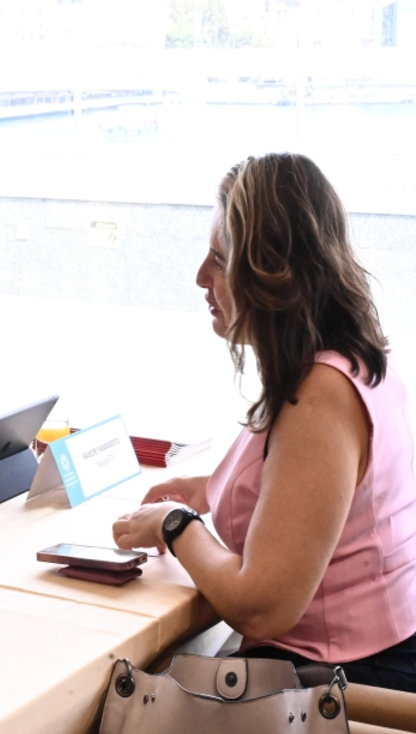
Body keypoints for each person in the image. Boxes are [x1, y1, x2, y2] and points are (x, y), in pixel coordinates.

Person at [112, 153, 416, 692]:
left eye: (219, 260)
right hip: (374, 658)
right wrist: (207, 490)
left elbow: (263, 607)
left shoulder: (320, 396)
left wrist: (176, 525)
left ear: (271, 275)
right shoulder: (351, 363)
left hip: (343, 684)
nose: (201, 278)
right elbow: (318, 495)